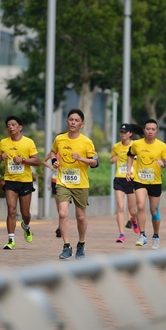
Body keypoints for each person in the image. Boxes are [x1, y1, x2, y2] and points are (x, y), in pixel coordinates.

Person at [50, 109, 98, 260]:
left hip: (80, 184)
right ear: (67, 122)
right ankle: (66, 246)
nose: (73, 122)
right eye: (71, 119)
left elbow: (95, 162)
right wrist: (54, 161)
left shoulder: (86, 142)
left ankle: (81, 244)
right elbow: (53, 152)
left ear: (82, 124)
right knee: (63, 213)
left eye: (76, 120)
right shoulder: (59, 139)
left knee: (81, 217)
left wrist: (81, 158)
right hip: (63, 182)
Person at [0, 116, 40, 250]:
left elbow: (37, 161)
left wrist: (23, 160)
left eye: (13, 124)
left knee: (25, 214)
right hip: (10, 180)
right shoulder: (3, 143)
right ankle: (11, 240)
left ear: (20, 127)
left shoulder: (28, 142)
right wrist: (0, 158)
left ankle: (26, 226)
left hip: (25, 181)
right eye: (8, 125)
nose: (11, 127)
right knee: (11, 209)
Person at [126, 119, 166, 250]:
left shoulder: (162, 146)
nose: (150, 131)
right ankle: (142, 235)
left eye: (153, 129)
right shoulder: (137, 144)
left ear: (156, 131)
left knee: (154, 210)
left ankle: (156, 236)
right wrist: (129, 170)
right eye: (148, 129)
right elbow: (130, 155)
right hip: (140, 180)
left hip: (155, 182)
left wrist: (163, 164)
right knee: (140, 205)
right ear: (144, 130)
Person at [110, 123, 139, 243]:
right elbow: (111, 160)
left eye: (125, 132)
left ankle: (134, 220)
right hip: (119, 179)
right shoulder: (116, 146)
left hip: (131, 179)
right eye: (121, 132)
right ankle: (121, 234)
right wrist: (113, 159)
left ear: (130, 133)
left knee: (132, 210)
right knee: (120, 207)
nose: (122, 134)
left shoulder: (135, 145)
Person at [42, 151, 61, 238]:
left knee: (64, 206)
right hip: (55, 181)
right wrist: (52, 167)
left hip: (67, 181)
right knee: (59, 206)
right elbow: (44, 161)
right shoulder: (54, 152)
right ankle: (60, 226)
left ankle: (61, 226)